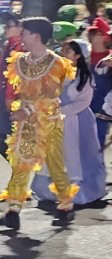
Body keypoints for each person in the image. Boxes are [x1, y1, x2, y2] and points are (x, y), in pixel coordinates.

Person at [0, 17, 76, 231]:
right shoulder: (19, 61)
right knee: (20, 161)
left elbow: (50, 95)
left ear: (36, 36)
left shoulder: (56, 63)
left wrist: (25, 110)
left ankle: (66, 204)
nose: (22, 37)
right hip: (26, 123)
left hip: (50, 121)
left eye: (25, 33)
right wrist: (15, 108)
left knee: (55, 164)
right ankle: (13, 210)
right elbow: (18, 91)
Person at [31, 40, 105, 212]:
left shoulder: (84, 77)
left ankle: (78, 193)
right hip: (53, 120)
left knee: (75, 157)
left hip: (77, 122)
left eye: (68, 50)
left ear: (78, 55)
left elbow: (83, 102)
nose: (63, 52)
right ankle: (48, 190)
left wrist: (60, 110)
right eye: (63, 49)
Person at [0, 13, 23, 159]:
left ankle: (20, 169)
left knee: (14, 136)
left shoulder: (22, 47)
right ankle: (17, 167)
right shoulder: (7, 46)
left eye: (9, 26)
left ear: (20, 28)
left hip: (13, 98)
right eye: (5, 26)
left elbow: (18, 76)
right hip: (1, 96)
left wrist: (11, 97)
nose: (5, 29)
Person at [86, 17, 112, 148]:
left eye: (96, 32)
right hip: (83, 110)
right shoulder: (83, 55)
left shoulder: (110, 57)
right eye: (91, 32)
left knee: (96, 151)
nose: (91, 35)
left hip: (102, 114)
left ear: (105, 37)